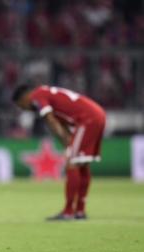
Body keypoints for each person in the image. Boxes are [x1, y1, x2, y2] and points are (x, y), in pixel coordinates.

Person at [12, 84, 106, 220]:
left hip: (87, 119)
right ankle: (80, 211)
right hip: (97, 114)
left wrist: (68, 145)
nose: (25, 109)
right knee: (81, 163)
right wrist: (68, 143)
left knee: (72, 163)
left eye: (22, 106)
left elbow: (50, 120)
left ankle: (68, 212)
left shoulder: (36, 96)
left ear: (24, 97)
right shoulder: (46, 93)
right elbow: (62, 123)